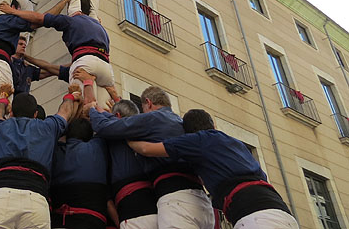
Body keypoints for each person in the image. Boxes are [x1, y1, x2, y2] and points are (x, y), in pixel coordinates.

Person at [129, 109, 298, 229]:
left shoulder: (198, 140)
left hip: (256, 217)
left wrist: (127, 135)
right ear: (213, 125)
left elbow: (146, 149)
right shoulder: (235, 144)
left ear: (188, 133)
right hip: (283, 213)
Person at [89, 86, 214, 229]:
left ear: (148, 103)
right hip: (202, 202)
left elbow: (106, 127)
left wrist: (92, 110)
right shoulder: (180, 123)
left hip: (176, 200)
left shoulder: (153, 118)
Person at [0, 86, 80, 229]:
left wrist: (3, 99)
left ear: (11, 113)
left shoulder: (0, 127)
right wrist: (70, 96)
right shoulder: (48, 127)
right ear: (35, 114)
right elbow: (65, 112)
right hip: (36, 199)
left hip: (0, 196)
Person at [0, 0, 115, 105]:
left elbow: (40, 18)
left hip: (85, 64)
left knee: (83, 104)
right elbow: (51, 68)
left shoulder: (71, 20)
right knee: (105, 108)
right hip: (106, 69)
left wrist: (13, 12)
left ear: (71, 6)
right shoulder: (99, 27)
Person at [80, 81, 158, 229]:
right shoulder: (146, 131)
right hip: (158, 210)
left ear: (116, 116)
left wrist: (91, 102)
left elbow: (108, 124)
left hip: (132, 214)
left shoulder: (109, 137)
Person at [0, 0, 78, 92]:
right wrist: (64, 0)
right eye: (20, 43)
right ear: (12, 7)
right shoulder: (8, 20)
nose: (24, 45)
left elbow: (49, 69)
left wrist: (76, 62)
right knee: (0, 99)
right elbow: (41, 18)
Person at [51, 118, 112, 229]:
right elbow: (105, 127)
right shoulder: (98, 146)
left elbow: (52, 133)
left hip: (58, 222)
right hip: (92, 221)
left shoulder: (56, 150)